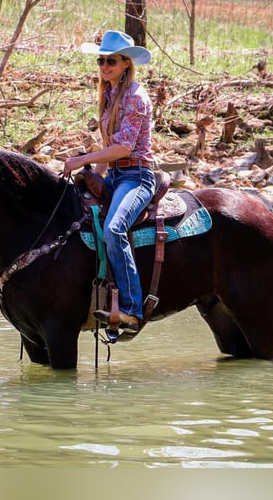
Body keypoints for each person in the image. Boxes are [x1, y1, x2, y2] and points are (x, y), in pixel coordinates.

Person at [63, 30, 155, 333]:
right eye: (101, 60)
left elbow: (124, 148)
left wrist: (81, 160)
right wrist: (92, 177)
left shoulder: (136, 97)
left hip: (136, 176)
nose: (104, 65)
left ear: (126, 63)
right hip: (115, 174)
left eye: (110, 61)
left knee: (115, 229)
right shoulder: (110, 94)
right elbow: (109, 152)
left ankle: (131, 308)